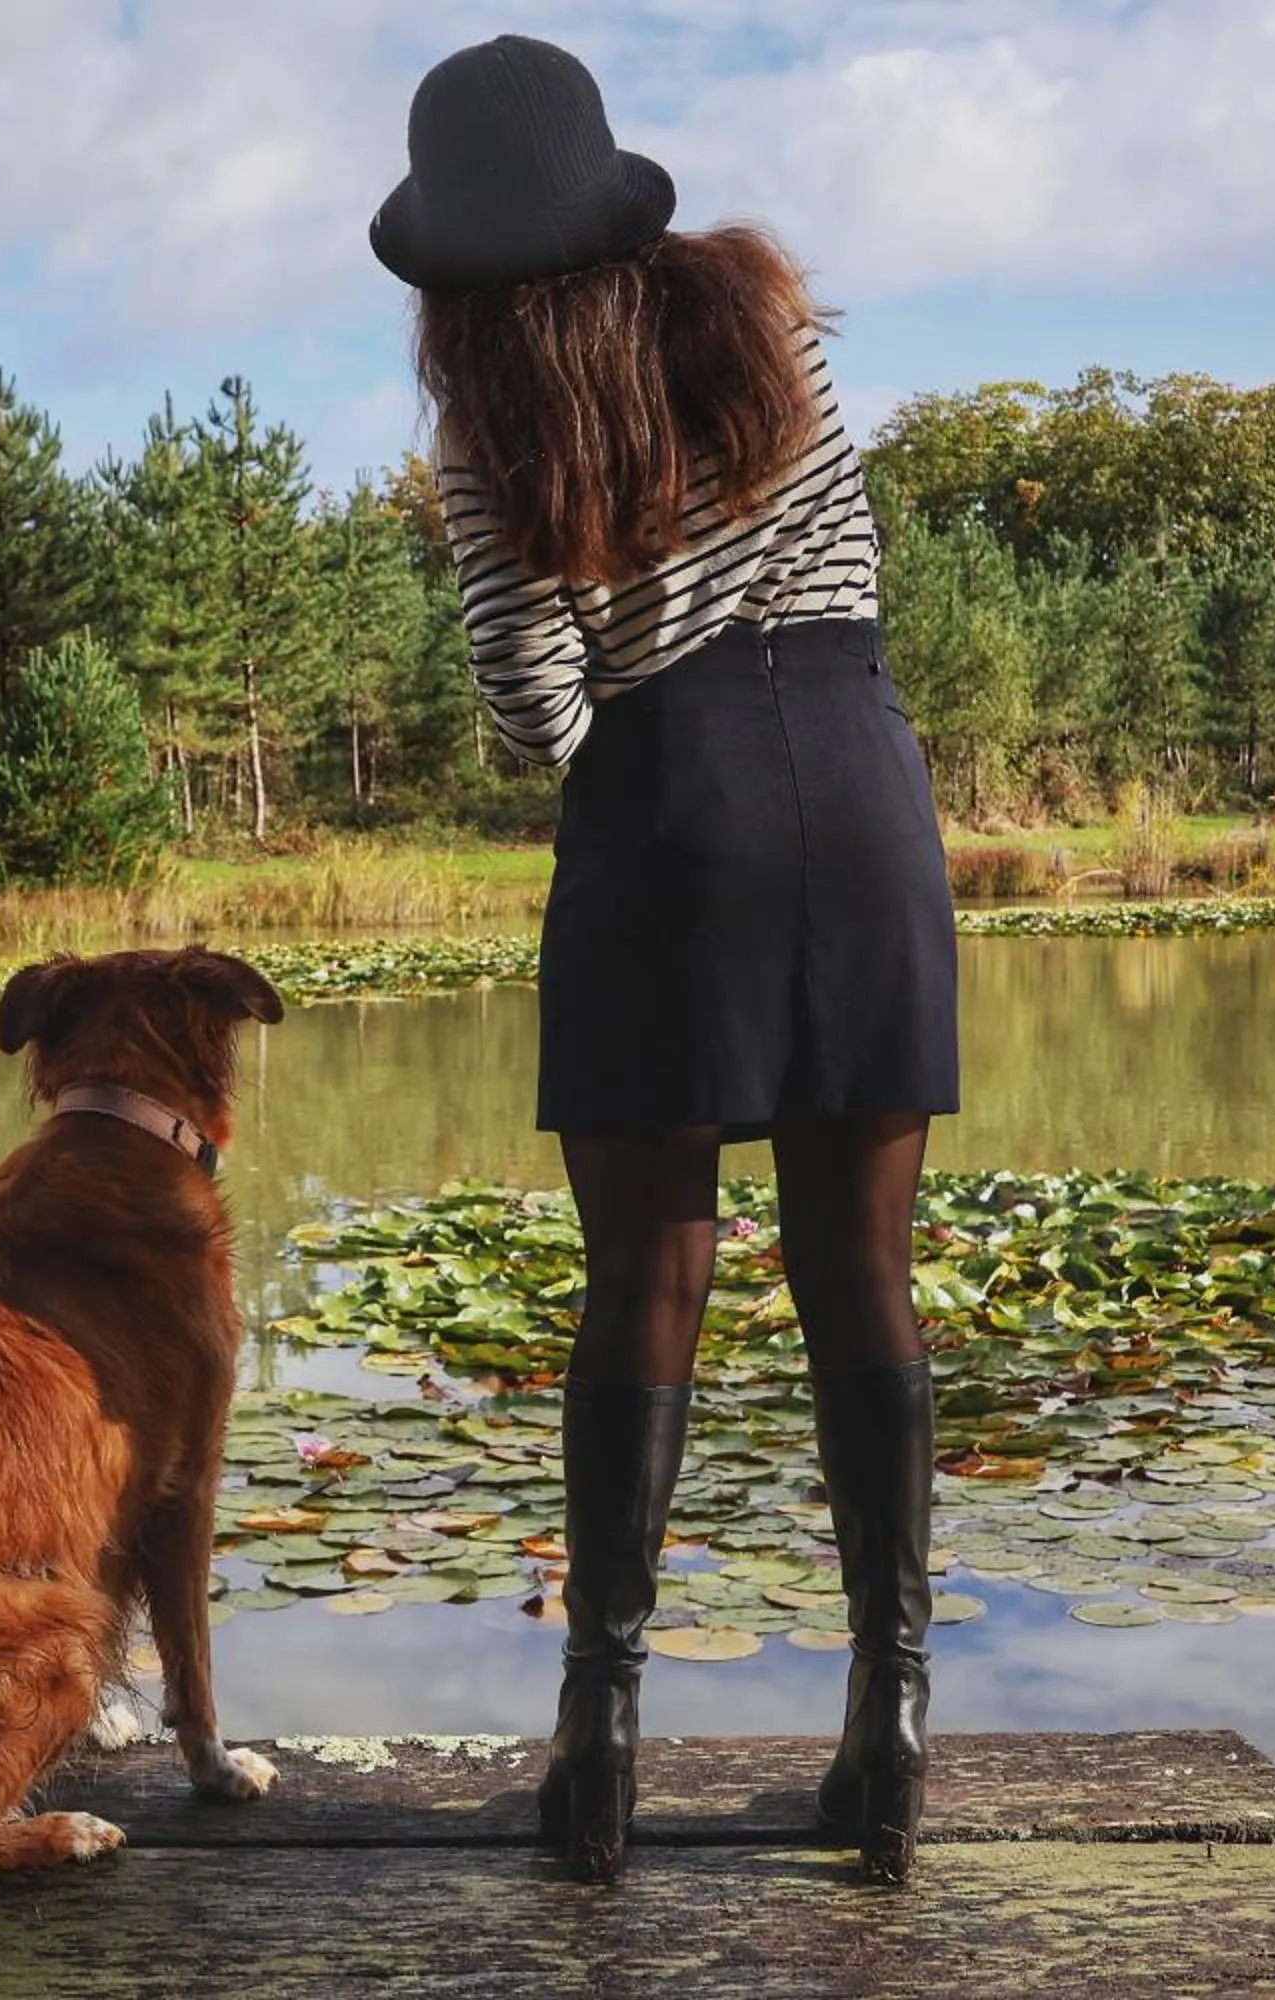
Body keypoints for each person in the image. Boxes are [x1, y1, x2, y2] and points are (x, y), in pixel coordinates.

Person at [368, 35, 960, 1887]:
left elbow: (540, 706)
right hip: (863, 789)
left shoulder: (494, 422)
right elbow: (855, 573)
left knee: (646, 1276)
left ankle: (600, 1748)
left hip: (667, 817)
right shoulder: (772, 330)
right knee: (859, 1266)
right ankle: (891, 1729)